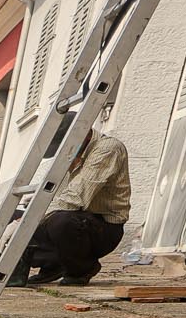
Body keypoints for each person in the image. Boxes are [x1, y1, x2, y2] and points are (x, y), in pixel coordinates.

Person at [13, 106, 131, 286]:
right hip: (76, 218)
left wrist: (26, 222)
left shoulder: (108, 149)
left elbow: (75, 198)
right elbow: (53, 194)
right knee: (16, 216)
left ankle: (82, 268)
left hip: (103, 228)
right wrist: (22, 215)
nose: (61, 152)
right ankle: (53, 265)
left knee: (60, 222)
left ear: (81, 136)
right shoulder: (70, 154)